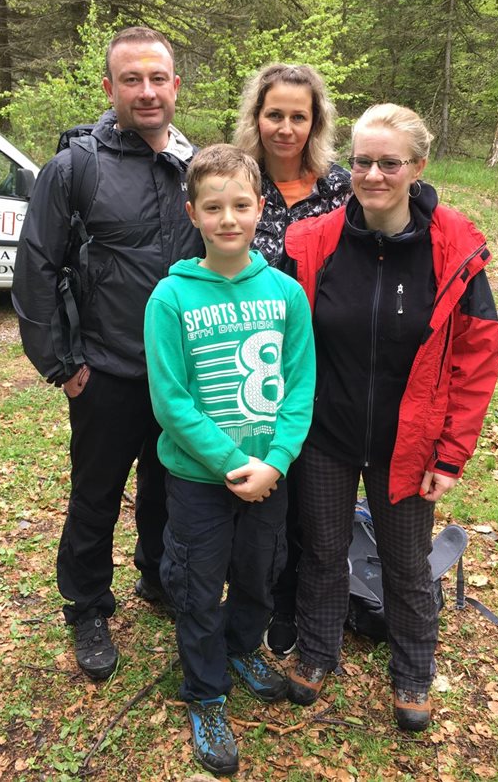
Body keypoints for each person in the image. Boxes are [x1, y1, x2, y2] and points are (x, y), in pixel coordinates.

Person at [282, 104, 498, 732]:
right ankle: (317, 652)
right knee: (323, 551)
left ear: (418, 167)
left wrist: (451, 454)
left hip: (409, 445)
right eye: (362, 161)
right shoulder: (314, 241)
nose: (373, 175)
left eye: (389, 163)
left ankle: (412, 672)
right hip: (325, 434)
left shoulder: (452, 249)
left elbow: (477, 357)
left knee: (406, 564)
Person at [12, 26, 203, 681]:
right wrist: (62, 366)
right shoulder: (75, 168)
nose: (146, 91)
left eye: (158, 78)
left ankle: (158, 576)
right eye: (131, 79)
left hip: (178, 375)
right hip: (105, 372)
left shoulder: (196, 166)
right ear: (109, 87)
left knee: (168, 487)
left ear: (175, 86)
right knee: (96, 496)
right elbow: (36, 269)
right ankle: (87, 606)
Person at [144, 144, 315, 775]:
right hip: (198, 479)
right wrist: (227, 462)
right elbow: (171, 401)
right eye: (213, 207)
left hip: (269, 476)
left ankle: (243, 648)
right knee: (196, 585)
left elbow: (300, 387)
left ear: (260, 208)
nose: (228, 219)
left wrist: (276, 460)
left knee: (258, 572)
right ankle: (206, 693)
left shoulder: (287, 295)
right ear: (192, 213)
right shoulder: (171, 298)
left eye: (241, 205)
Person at [233, 63, 351, 655]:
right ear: (257, 117)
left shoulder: (342, 187)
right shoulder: (237, 179)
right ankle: (262, 598)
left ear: (315, 122)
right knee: (263, 495)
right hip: (249, 365)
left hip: (323, 364)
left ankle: (302, 603)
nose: (285, 128)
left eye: (298, 117)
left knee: (312, 496)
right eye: (274, 114)